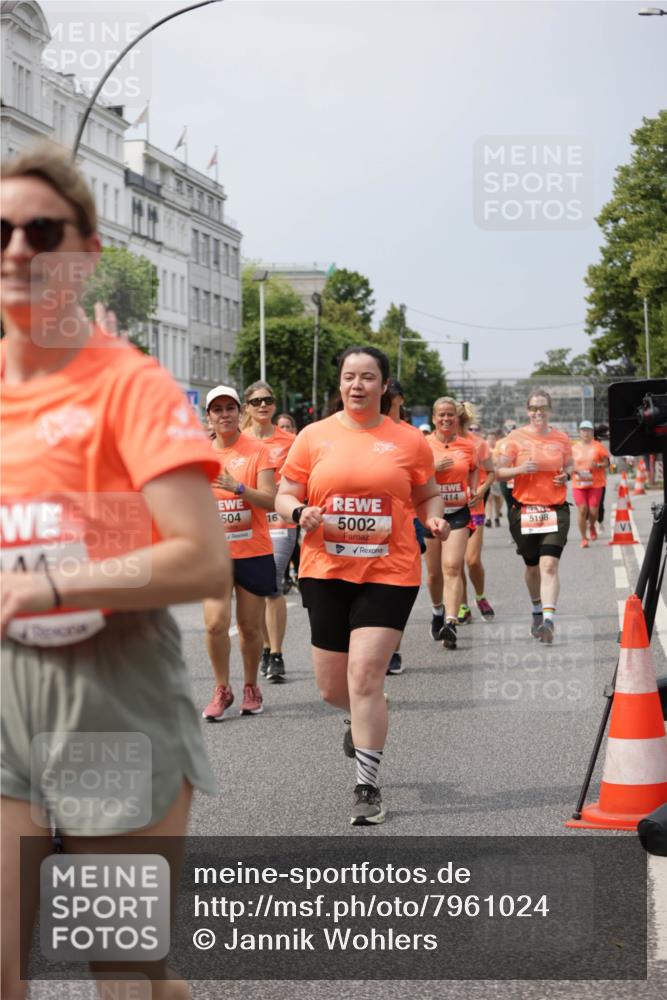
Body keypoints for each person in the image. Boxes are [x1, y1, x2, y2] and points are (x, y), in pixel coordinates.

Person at [1, 144, 230, 1000]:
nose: (18, 250)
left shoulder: (129, 386)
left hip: (112, 701)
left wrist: (55, 583)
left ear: (86, 252)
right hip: (2, 695)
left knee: (123, 974)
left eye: (43, 230)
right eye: (1, 232)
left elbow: (201, 558)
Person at [275, 347, 448, 825]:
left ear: (383, 385)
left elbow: (427, 493)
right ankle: (357, 714)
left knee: (365, 676)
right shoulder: (313, 437)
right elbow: (285, 490)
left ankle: (367, 787)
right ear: (340, 384)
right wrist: (297, 512)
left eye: (368, 377)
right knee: (334, 688)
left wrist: (433, 521)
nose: (357, 385)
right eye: (349, 376)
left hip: (389, 571)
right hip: (325, 571)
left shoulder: (409, 440)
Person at [202, 386, 276, 720]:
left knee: (248, 627)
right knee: (216, 624)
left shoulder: (257, 450)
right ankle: (222, 689)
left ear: (239, 412)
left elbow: (272, 500)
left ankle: (250, 686)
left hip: (253, 550)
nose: (224, 415)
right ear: (209, 417)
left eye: (230, 408)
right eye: (217, 410)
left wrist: (238, 488)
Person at [496, 389, 573, 644]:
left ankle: (549, 620)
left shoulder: (561, 438)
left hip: (555, 508)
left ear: (550, 410)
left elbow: (570, 464)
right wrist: (519, 468)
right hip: (525, 510)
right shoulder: (515, 438)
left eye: (543, 408)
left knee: (549, 565)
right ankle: (537, 610)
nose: (538, 412)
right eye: (533, 408)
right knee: (531, 566)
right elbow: (499, 472)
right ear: (527, 411)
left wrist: (567, 475)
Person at [242, 381, 296, 682]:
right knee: (257, 590)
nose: (263, 405)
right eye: (257, 401)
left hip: (279, 520)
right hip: (246, 523)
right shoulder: (238, 440)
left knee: (273, 581)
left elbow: (303, 476)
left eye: (269, 400)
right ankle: (264, 647)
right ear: (247, 407)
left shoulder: (290, 441)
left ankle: (276, 654)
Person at [423, 397, 477, 649]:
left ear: (457, 419)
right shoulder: (423, 445)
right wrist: (431, 467)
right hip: (430, 515)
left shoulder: (467, 446)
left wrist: (475, 488)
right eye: (441, 415)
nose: (446, 419)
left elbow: (475, 469)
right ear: (433, 418)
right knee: (434, 574)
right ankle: (437, 612)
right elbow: (410, 476)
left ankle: (451, 622)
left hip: (458, 513)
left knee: (452, 566)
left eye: (450, 415)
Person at [459, 418, 496, 623]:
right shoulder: (441, 443)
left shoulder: (478, 444)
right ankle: (462, 605)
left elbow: (491, 472)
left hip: (474, 507)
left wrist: (481, 491)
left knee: (472, 560)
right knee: (455, 564)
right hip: (451, 509)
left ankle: (480, 597)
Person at [571, 420, 610, 547]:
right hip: (579, 484)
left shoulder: (598, 446)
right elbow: (568, 465)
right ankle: (584, 538)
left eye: (588, 430)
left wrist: (598, 465)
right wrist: (572, 469)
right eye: (583, 430)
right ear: (579, 432)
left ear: (592, 432)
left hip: (595, 484)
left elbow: (607, 463)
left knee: (593, 512)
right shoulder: (574, 448)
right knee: (582, 510)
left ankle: (592, 525)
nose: (586, 433)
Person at [484, 430, 503, 527]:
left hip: (497, 477)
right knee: (489, 498)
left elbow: (501, 464)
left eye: (493, 439)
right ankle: (488, 518)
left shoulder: (499, 450)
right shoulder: (484, 450)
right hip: (487, 477)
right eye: (489, 439)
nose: (491, 441)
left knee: (497, 499)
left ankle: (496, 516)